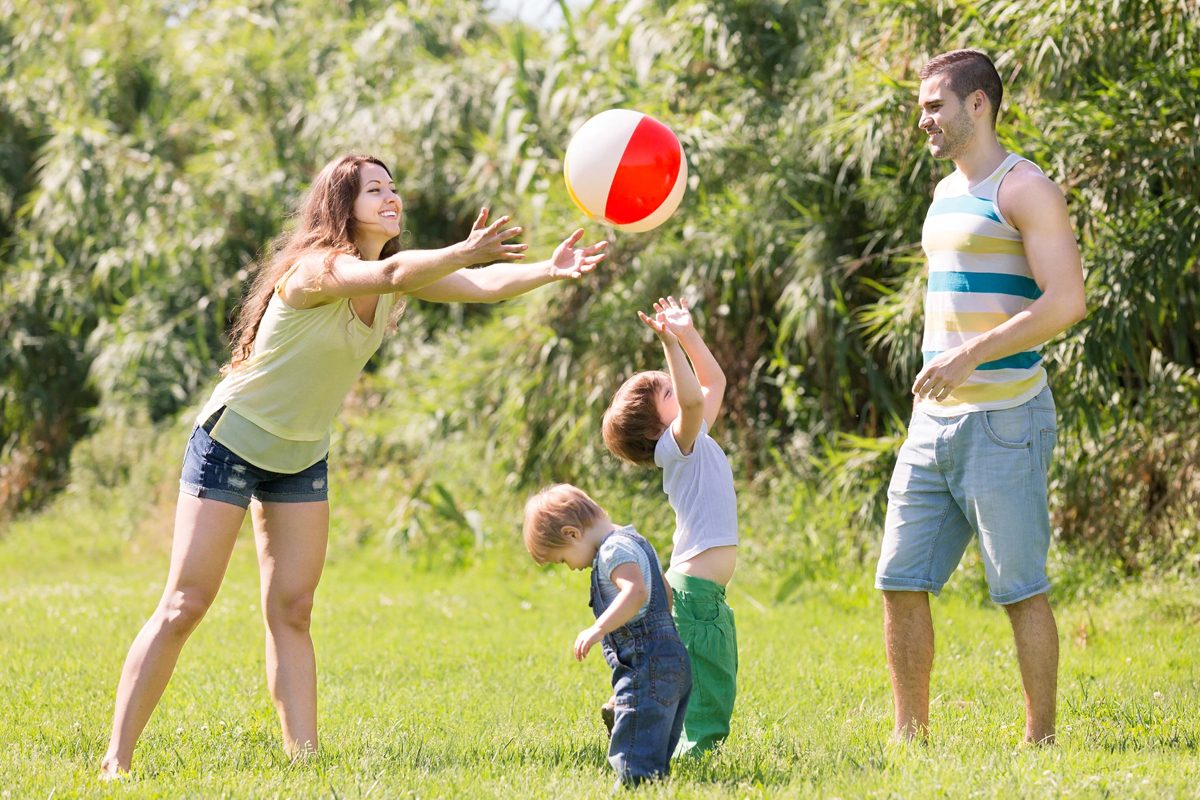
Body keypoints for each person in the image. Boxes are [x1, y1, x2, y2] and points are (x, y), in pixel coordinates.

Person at [98, 153, 608, 778]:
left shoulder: (382, 275)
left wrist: (548, 271)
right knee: (186, 603)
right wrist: (464, 249)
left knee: (293, 608)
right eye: (375, 190)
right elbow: (399, 271)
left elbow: (476, 288)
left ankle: (303, 763)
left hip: (301, 453)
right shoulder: (315, 271)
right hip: (231, 442)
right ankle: (116, 760)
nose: (391, 199)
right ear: (343, 205)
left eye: (394, 189)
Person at [875, 49, 1086, 745]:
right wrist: (945, 366)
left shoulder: (1026, 189)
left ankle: (1041, 738)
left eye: (934, 104)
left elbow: (1066, 302)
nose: (922, 117)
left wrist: (970, 355)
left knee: (1019, 587)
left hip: (1007, 419)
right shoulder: (943, 196)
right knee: (898, 578)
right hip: (932, 420)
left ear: (978, 104)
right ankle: (911, 737)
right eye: (921, 106)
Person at [600, 296, 738, 756]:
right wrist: (670, 345)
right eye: (667, 393)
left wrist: (688, 333)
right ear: (657, 429)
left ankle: (633, 710)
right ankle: (690, 754)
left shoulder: (693, 439)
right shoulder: (676, 449)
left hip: (698, 589)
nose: (679, 393)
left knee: (692, 673)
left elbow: (712, 382)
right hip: (697, 591)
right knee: (708, 681)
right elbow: (696, 396)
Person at [522, 483, 691, 788]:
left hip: (647, 663)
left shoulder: (612, 550)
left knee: (634, 759)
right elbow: (663, 593)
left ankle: (630, 790)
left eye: (562, 559)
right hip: (671, 659)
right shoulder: (637, 541)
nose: (571, 568)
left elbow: (636, 592)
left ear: (572, 534)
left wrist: (599, 628)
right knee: (653, 748)